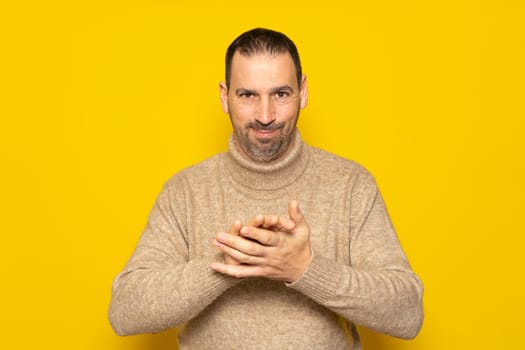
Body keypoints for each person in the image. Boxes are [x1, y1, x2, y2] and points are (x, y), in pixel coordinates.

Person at [108, 28, 424, 349]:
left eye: (281, 94)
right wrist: (227, 266)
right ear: (224, 96)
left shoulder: (351, 185)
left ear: (303, 91)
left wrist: (305, 268)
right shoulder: (185, 191)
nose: (265, 116)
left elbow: (408, 313)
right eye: (247, 95)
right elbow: (125, 312)